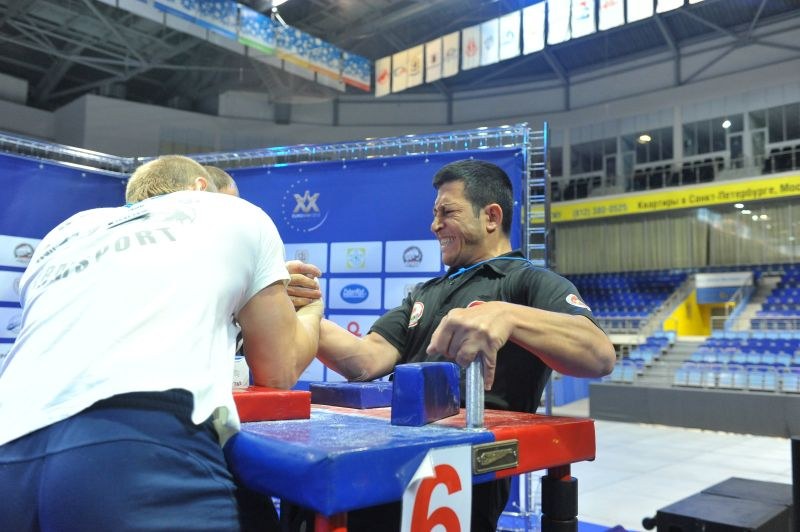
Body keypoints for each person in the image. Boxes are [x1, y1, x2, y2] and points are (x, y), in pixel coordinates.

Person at [0, 154, 323, 531]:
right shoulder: (235, 214)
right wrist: (310, 308)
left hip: (10, 444)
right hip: (134, 445)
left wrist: (258, 281)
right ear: (203, 188)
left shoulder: (69, 231)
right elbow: (279, 369)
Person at [305, 159, 616, 531]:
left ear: (491, 217)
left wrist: (507, 316)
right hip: (389, 462)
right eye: (434, 213)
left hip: (460, 479)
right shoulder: (425, 292)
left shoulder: (530, 282)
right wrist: (301, 316)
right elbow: (364, 360)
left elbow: (599, 355)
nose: (434, 225)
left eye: (447, 212)